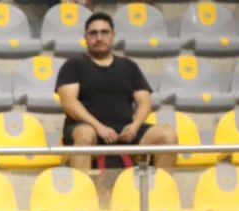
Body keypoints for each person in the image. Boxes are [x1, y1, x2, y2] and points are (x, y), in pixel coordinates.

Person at [56, 12, 177, 173]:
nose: (99, 38)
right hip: (88, 131)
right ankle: (82, 195)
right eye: (93, 33)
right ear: (85, 37)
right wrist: (99, 127)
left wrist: (135, 126)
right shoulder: (73, 65)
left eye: (104, 32)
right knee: (85, 134)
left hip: (125, 134)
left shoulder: (128, 66)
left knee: (168, 135)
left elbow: (145, 101)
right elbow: (69, 103)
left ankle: (161, 192)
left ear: (113, 35)